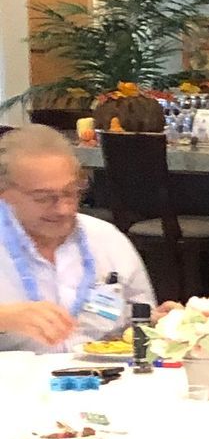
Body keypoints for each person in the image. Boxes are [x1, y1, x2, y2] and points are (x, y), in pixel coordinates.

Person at [0, 123, 155, 351]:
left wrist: (164, 323)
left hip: (105, 378)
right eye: (44, 198)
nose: (63, 209)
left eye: (70, 193)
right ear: (5, 193)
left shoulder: (106, 239)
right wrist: (5, 317)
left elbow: (142, 323)